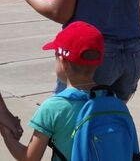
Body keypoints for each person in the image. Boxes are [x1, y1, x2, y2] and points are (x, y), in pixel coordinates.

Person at [0, 21, 104, 160]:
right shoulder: (112, 100)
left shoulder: (53, 108)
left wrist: (6, 133)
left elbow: (29, 158)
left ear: (63, 62)